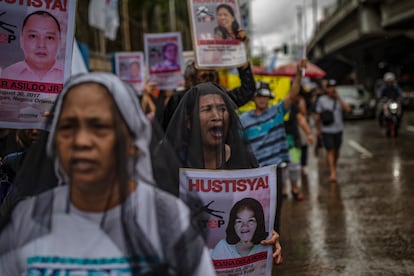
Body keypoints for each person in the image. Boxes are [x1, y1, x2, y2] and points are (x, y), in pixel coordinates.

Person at [0, 72, 216, 275]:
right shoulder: (28, 218)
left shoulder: (168, 218)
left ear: (133, 143)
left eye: (99, 127)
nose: (81, 141)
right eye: (67, 127)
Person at [155, 82, 282, 264]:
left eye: (222, 109)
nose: (217, 116)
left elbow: (256, 218)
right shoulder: (170, 166)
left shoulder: (242, 160)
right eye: (207, 109)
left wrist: (270, 239)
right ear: (189, 121)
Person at [239, 60, 306, 231]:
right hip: (255, 173)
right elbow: (238, 145)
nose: (262, 99)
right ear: (254, 98)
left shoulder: (277, 111)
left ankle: (274, 243)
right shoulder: (243, 120)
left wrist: (298, 74)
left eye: (265, 96)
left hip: (275, 171)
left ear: (269, 98)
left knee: (275, 210)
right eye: (259, 96)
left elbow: (292, 94)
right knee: (256, 210)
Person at [161, 27, 255, 131]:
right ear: (191, 80)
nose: (209, 82)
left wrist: (240, 54)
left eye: (212, 76)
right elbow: (168, 131)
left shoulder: (221, 97)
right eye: (204, 77)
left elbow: (247, 90)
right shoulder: (178, 100)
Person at [1, 10, 64, 83]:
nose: (41, 45)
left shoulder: (69, 75)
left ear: (60, 42)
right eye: (33, 36)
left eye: (49, 37)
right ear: (21, 40)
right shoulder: (8, 74)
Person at [315, 79, 351, 183]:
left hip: (338, 129)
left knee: (337, 151)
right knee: (330, 150)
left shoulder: (339, 100)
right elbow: (318, 116)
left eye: (334, 87)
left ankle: (333, 166)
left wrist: (338, 98)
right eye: (330, 87)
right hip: (327, 130)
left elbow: (348, 109)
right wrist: (318, 129)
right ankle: (332, 172)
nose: (332, 89)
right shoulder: (322, 100)